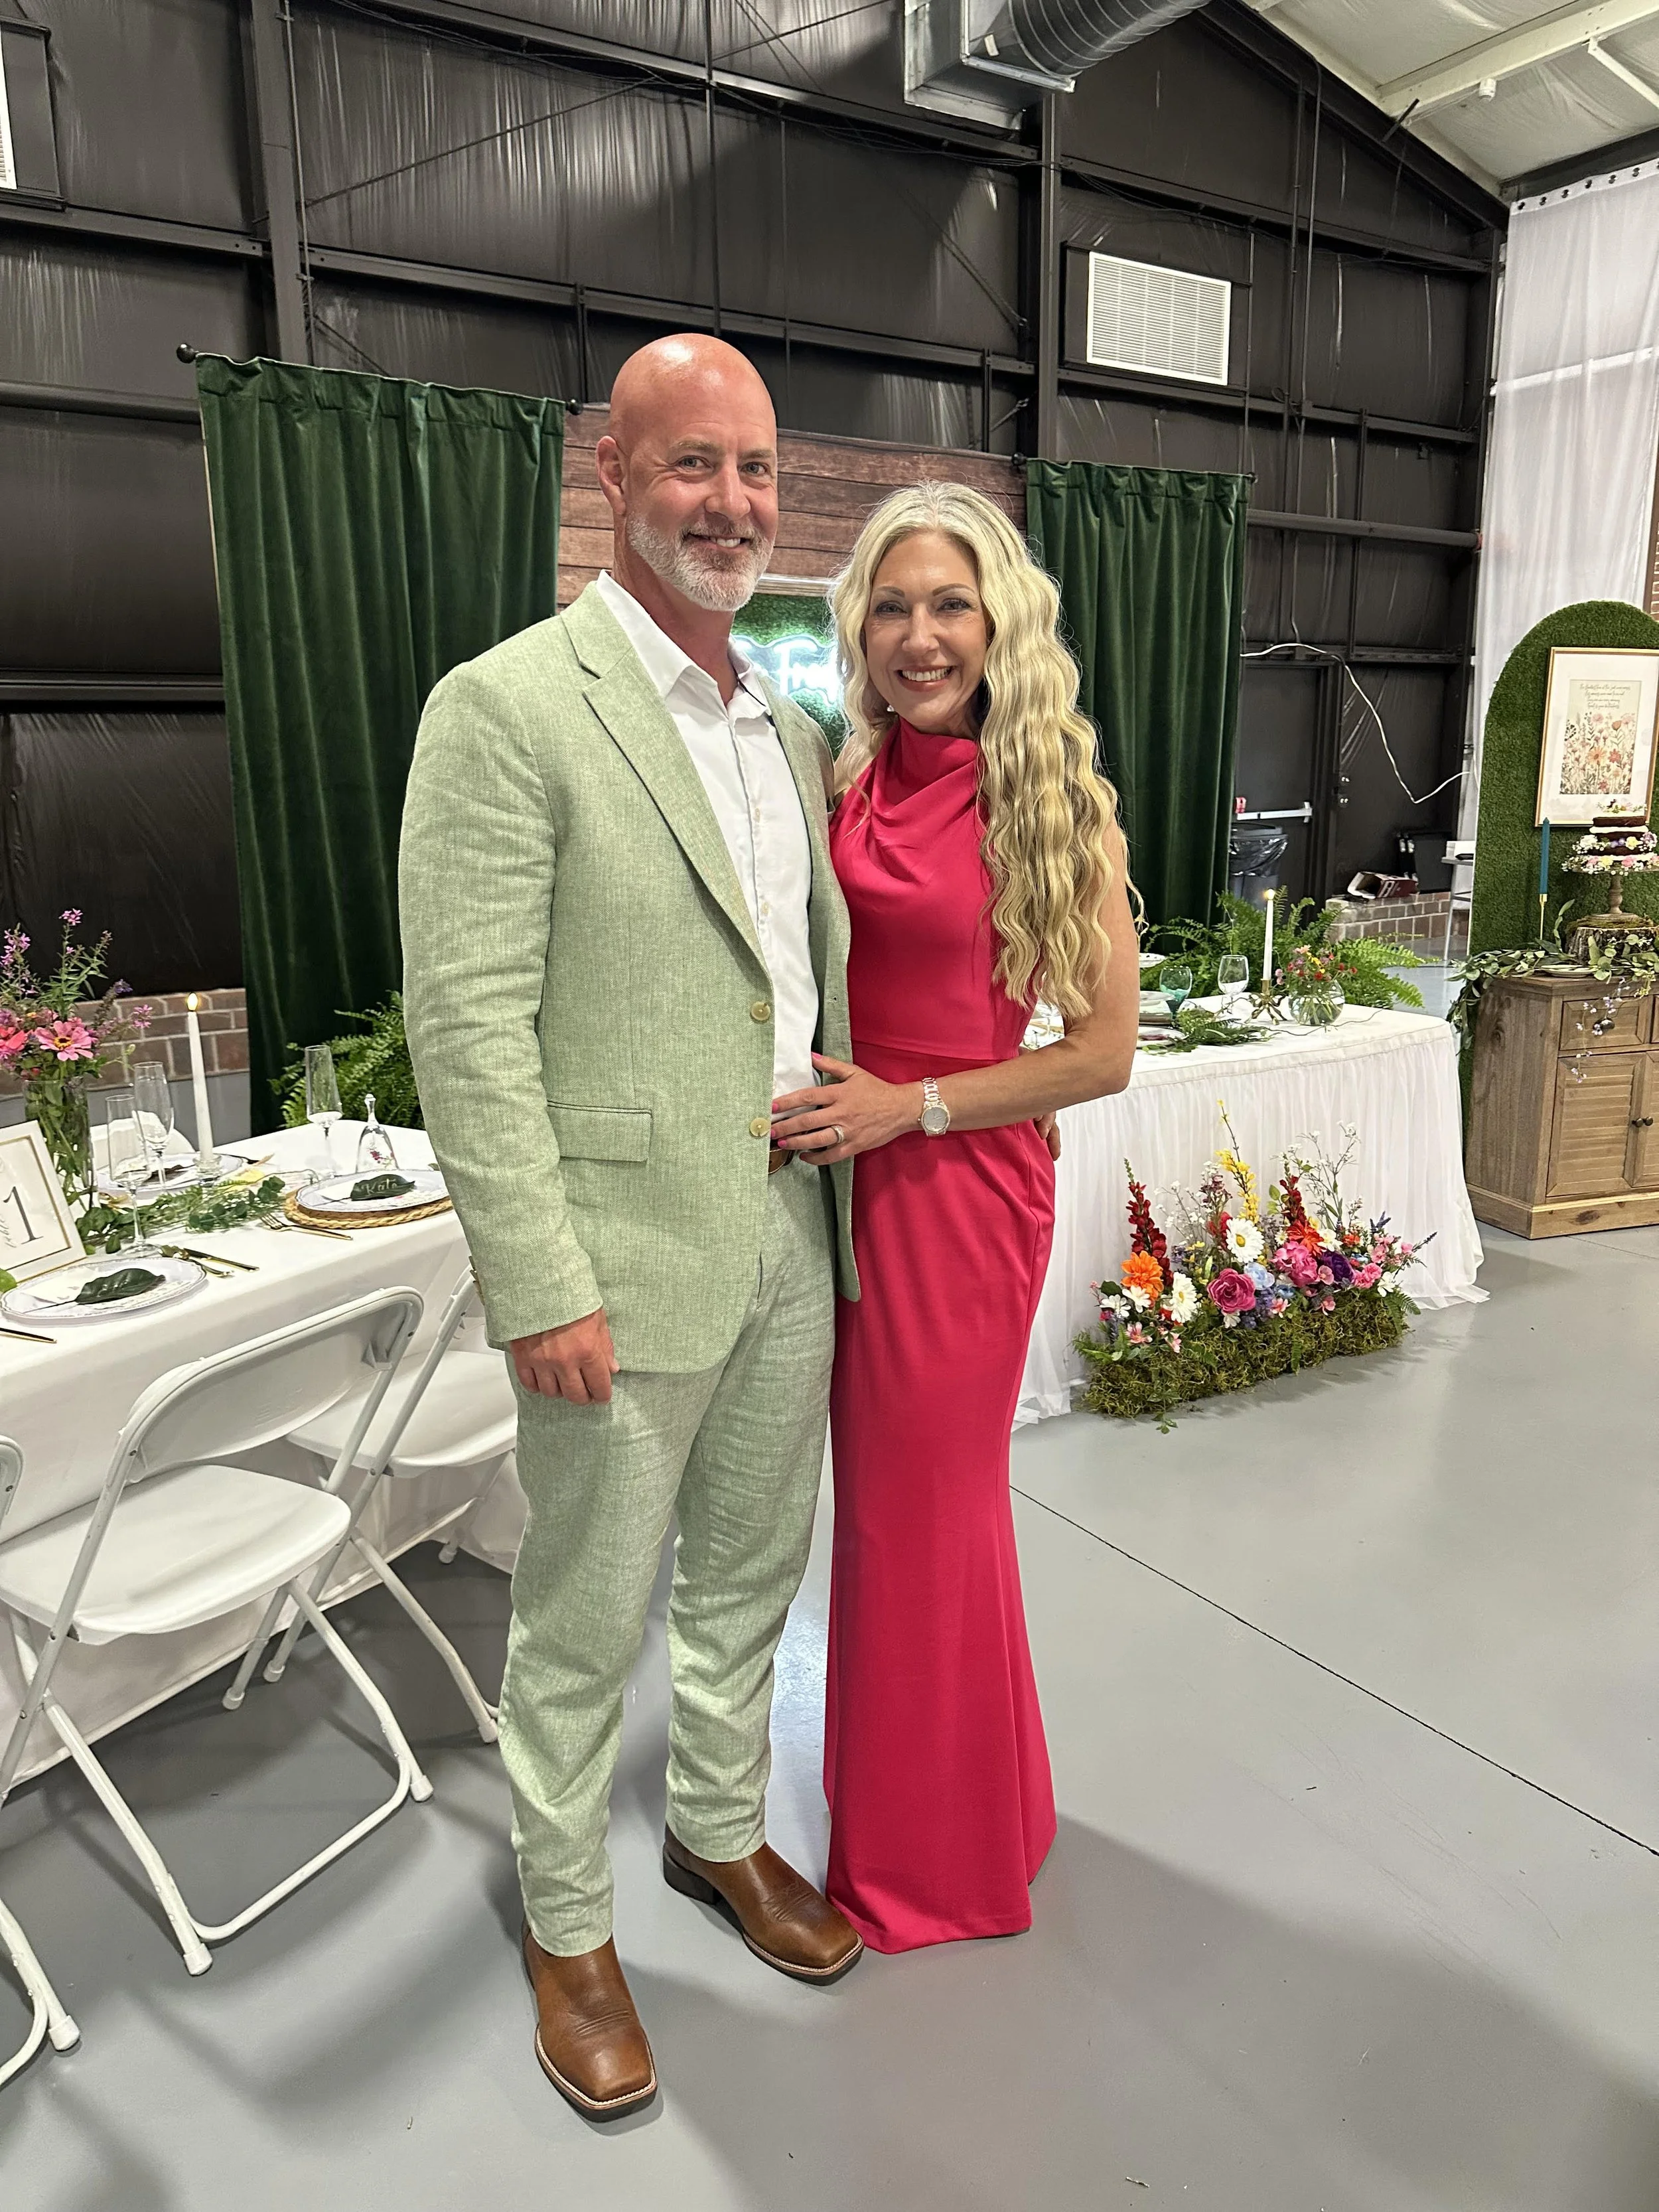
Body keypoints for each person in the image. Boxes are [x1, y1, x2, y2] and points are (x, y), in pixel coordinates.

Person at [399, 333, 863, 2122]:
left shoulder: (786, 729)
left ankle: (717, 1834)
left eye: (754, 470)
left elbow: (774, 969)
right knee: (585, 1615)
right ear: (613, 475)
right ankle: (568, 1925)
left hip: (783, 1230)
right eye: (693, 466)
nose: (732, 503)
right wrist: (536, 1280)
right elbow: (469, 1024)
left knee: (751, 1574)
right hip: (610, 1259)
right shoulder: (507, 708)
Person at [770, 480, 1139, 1953]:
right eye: (893, 604)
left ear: (1001, 625)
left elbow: (1099, 1053)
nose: (920, 635)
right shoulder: (850, 774)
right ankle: (978, 1807)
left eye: (949, 606)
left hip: (955, 1182)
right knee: (891, 1519)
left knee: (922, 1517)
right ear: (857, 621)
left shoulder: (1040, 796)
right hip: (846, 1174)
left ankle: (932, 1870)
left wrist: (907, 1109)